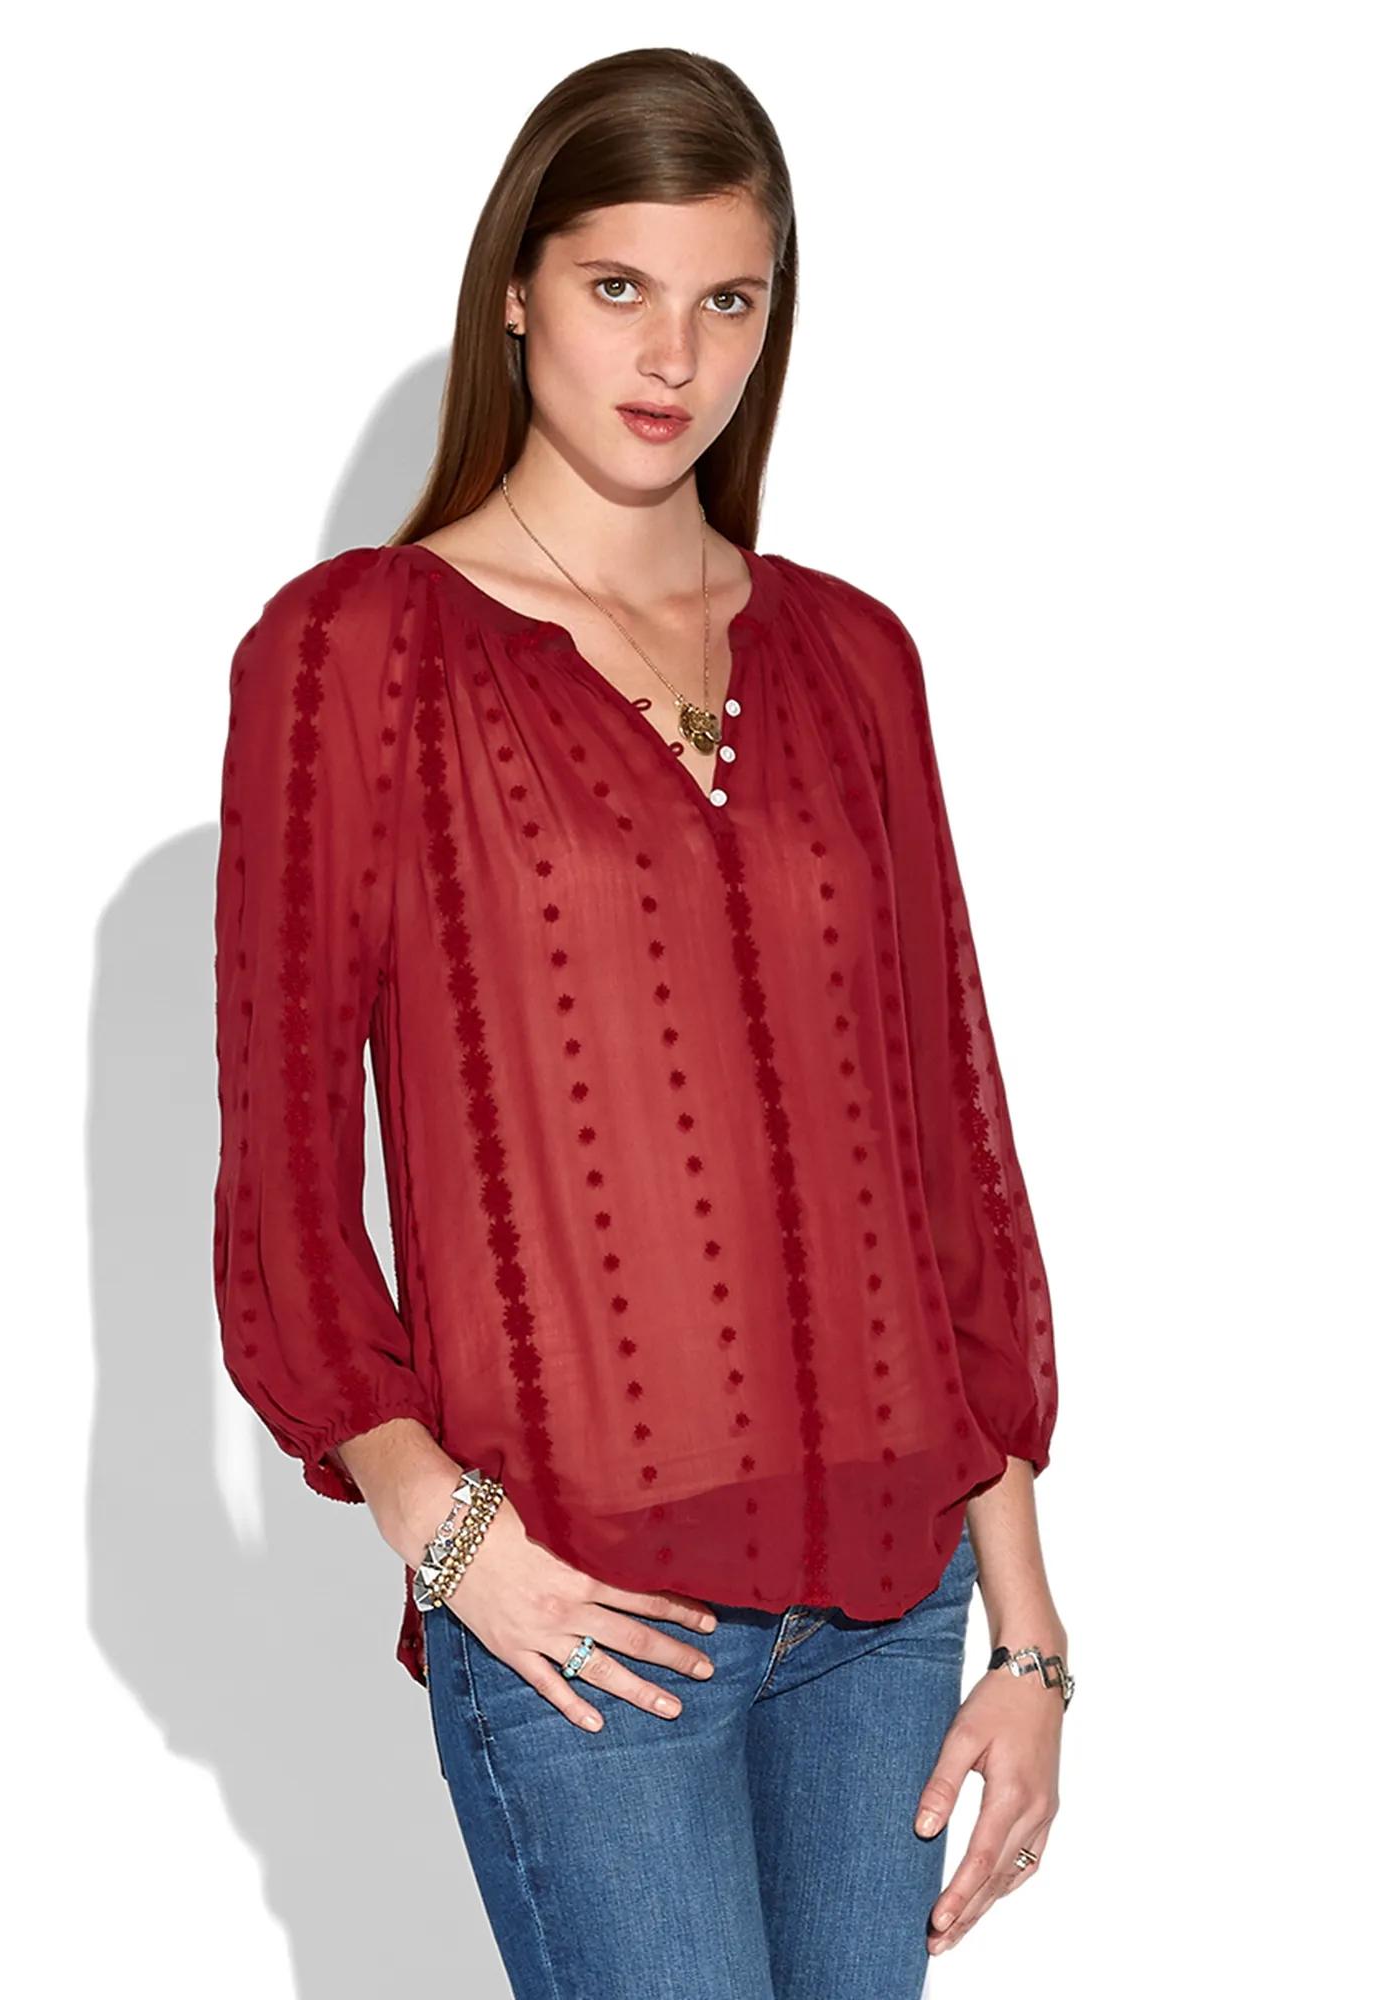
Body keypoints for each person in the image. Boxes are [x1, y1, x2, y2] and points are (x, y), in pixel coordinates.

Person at [212, 45, 1070, 2000]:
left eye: (726, 299)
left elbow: (941, 1152)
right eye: (618, 286)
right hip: (582, 1604)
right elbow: (280, 1172)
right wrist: (443, 1531)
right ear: (516, 290)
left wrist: (1025, 1633)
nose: (672, 354)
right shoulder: (356, 652)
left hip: (892, 1604)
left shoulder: (851, 656)